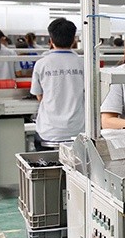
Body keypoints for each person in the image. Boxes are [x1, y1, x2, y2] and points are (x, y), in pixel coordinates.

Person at [30, 18, 85, 148]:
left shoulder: (41, 64)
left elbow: (39, 95)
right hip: (77, 131)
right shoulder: (83, 64)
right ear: (74, 40)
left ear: (51, 40)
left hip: (48, 132)